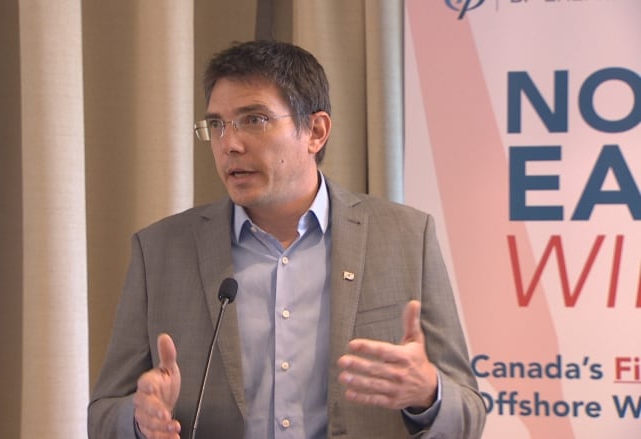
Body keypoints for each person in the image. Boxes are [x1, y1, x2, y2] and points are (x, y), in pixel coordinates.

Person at [88, 40, 486, 439]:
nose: (230, 144)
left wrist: (427, 394)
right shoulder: (160, 251)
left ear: (315, 131)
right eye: (217, 125)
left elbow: (469, 413)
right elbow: (103, 416)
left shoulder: (406, 238)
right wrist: (139, 421)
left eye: (254, 120)